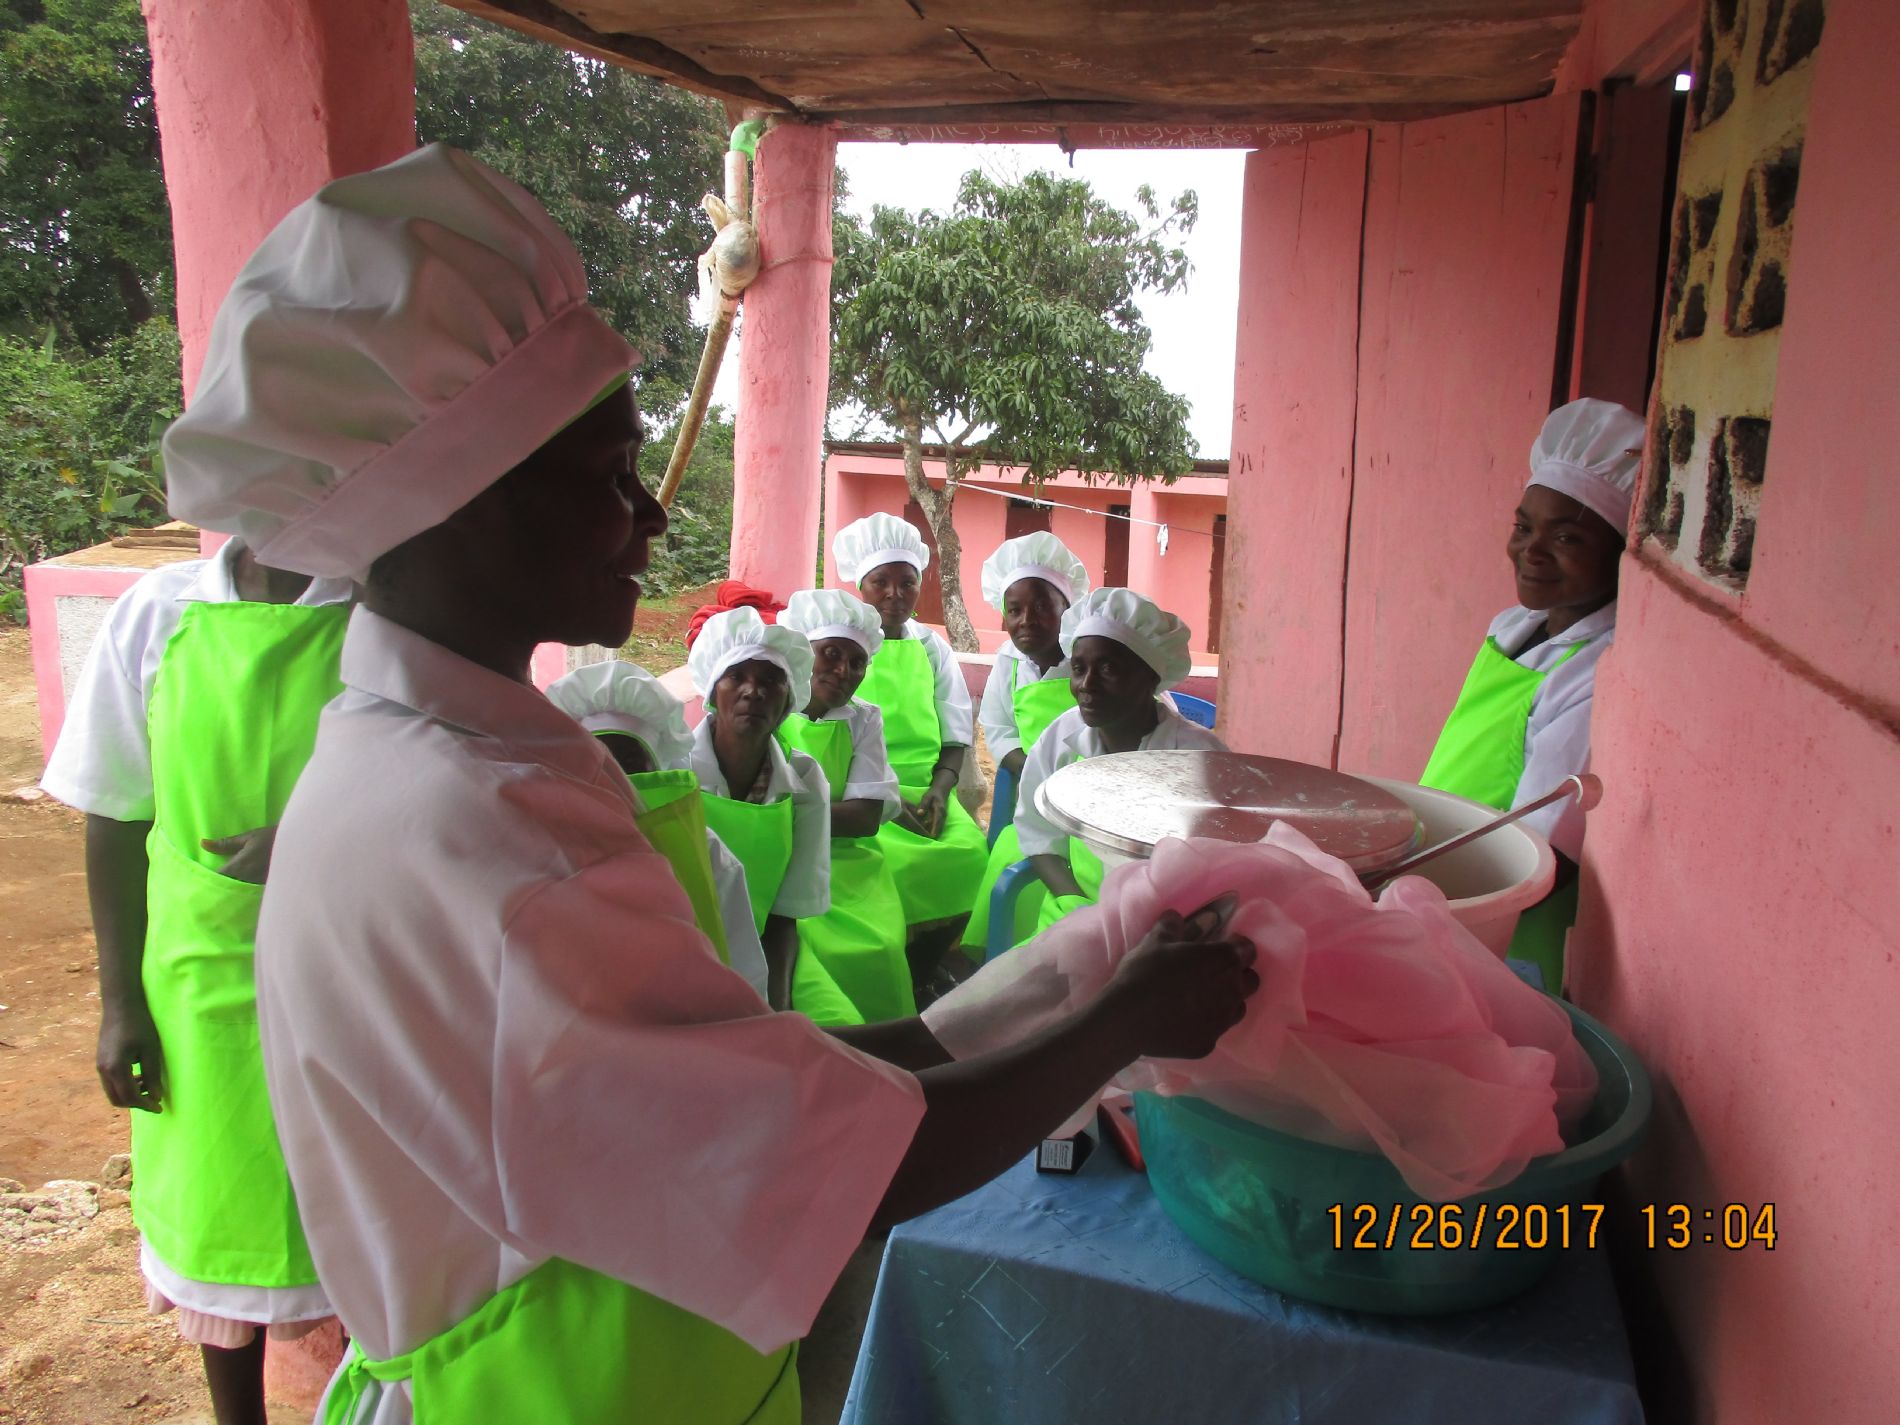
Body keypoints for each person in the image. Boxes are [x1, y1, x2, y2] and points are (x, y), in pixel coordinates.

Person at [163, 144, 1257, 1424]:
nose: (650, 514)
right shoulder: (479, 840)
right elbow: (828, 1156)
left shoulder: (448, 748)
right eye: (608, 476)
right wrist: (1117, 1025)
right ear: (458, 502)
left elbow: (758, 1069)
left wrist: (1077, 972)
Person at [39, 534, 350, 1425]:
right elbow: (113, 810)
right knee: (223, 1206)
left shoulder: (378, 616)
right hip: (196, 976)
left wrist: (313, 841)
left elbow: (430, 775)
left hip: (346, 965)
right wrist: (119, 1003)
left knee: (359, 1208)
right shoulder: (157, 611)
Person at [1420, 397, 1643, 989]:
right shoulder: (1512, 627)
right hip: (1440, 882)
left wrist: (1433, 903)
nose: (1531, 551)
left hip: (1499, 924)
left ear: (1622, 551)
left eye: (1566, 538)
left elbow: (1546, 860)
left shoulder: (1597, 672)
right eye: (1523, 527)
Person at [545, 659, 772, 1001]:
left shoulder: (704, 855)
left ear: (658, 770)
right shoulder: (544, 845)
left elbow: (743, 973)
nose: (616, 780)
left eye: (633, 767)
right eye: (597, 764)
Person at [830, 512, 989, 995]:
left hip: (925, 787)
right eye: (881, 582)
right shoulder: (842, 646)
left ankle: (922, 967)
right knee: (888, 865)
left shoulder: (931, 647)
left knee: (968, 855)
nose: (895, 594)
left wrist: (941, 792)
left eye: (907, 582)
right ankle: (894, 968)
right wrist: (890, 801)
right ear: (861, 584)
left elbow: (956, 728)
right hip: (866, 794)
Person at [1015, 588, 1228, 933]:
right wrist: (1073, 905)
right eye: (1079, 668)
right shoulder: (1061, 738)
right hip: (1074, 915)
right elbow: (1037, 831)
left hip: (1166, 928)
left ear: (1151, 678)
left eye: (1109, 668)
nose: (1087, 685)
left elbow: (1220, 866)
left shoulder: (1200, 758)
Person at [775, 588, 916, 1024]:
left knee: (880, 943)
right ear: (803, 653)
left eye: (857, 663)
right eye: (830, 654)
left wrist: (780, 818)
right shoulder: (772, 710)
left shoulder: (864, 719)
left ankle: (880, 1046)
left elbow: (867, 817)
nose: (843, 670)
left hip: (848, 865)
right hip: (779, 862)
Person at [685, 607, 832, 1014]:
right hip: (681, 952)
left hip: (768, 949)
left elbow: (786, 916)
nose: (754, 690)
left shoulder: (805, 780)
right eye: (737, 677)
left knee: (837, 1031)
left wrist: (778, 1007)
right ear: (713, 693)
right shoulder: (673, 771)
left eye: (771, 680)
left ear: (789, 702)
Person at [966, 531, 1091, 952]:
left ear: (1067, 610)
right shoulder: (1010, 662)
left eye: (1042, 607)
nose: (1027, 620)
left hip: (1094, 802)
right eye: (1014, 610)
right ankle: (1007, 957)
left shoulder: (1087, 662)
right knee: (1010, 858)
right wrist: (1035, 772)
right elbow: (998, 728)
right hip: (1037, 798)